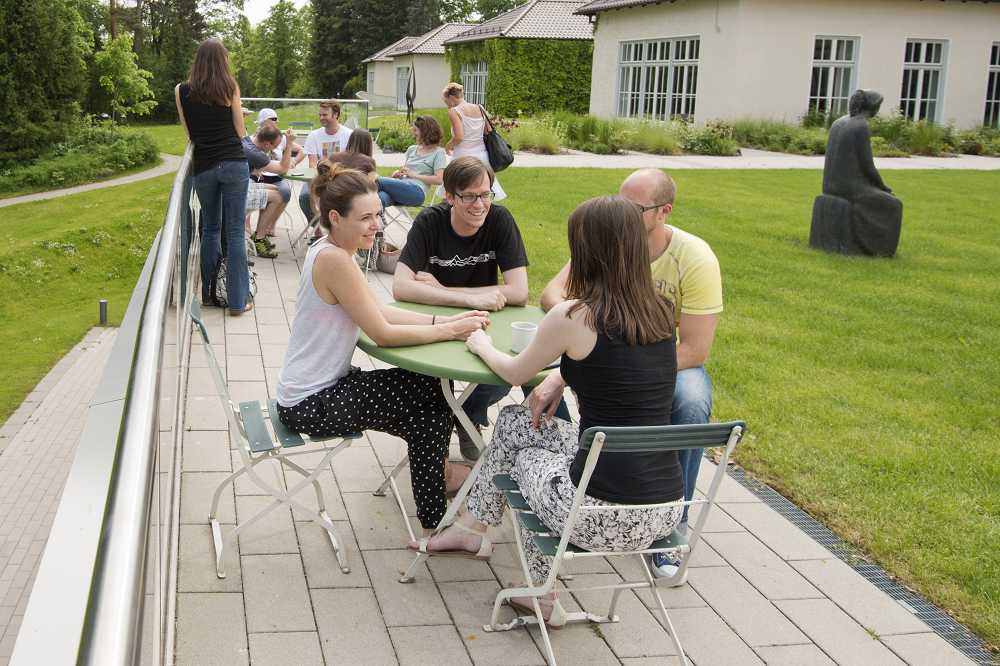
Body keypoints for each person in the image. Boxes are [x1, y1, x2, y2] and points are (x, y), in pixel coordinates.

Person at [409, 196, 683, 625]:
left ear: (586, 251)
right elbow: (623, 370)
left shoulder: (574, 315)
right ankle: (471, 528)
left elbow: (515, 373)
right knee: (519, 421)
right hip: (664, 512)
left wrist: (481, 344)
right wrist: (562, 376)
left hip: (597, 514)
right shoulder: (662, 313)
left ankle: (541, 594)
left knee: (521, 457)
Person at [275, 161, 490, 533]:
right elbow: (382, 333)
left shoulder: (334, 250)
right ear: (335, 217)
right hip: (311, 403)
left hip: (312, 392)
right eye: (365, 218)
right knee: (432, 389)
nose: (376, 225)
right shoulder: (335, 261)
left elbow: (381, 311)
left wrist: (446, 322)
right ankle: (436, 505)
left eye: (378, 215)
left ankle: (435, 504)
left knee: (430, 408)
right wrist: (451, 331)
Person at [538, 168, 722, 581]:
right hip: (610, 358)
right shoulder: (612, 241)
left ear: (663, 212)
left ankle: (672, 526)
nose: (620, 213)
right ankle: (592, 476)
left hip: (672, 360)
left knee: (691, 402)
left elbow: (695, 348)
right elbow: (553, 293)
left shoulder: (694, 258)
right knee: (544, 387)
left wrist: (617, 369)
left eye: (632, 208)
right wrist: (582, 345)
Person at [392, 157, 566, 461]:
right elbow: (401, 287)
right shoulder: (430, 222)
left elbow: (519, 291)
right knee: (427, 381)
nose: (479, 204)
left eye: (486, 194)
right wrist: (470, 299)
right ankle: (448, 429)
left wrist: (443, 291)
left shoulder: (499, 220)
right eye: (469, 196)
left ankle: (557, 447)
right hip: (435, 323)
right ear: (449, 197)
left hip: (486, 323)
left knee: (529, 366)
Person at [175, 38, 252, 315]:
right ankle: (237, 301)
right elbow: (240, 132)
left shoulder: (181, 91)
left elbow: (190, 132)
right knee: (234, 232)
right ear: (223, 61)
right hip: (232, 162)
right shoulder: (230, 87)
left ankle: (208, 295)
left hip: (204, 166)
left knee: (209, 229)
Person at [442, 83, 506, 201]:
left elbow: (459, 137)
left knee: (456, 189)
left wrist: (448, 146)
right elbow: (488, 130)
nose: (445, 103)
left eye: (445, 100)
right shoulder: (480, 108)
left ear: (451, 97)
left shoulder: (454, 111)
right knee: (484, 189)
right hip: (481, 154)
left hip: (463, 154)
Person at [242, 122, 295, 258]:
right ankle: (259, 238)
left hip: (242, 186)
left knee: (276, 189)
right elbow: (283, 168)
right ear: (267, 144)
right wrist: (289, 144)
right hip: (239, 195)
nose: (273, 151)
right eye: (275, 147)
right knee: (278, 197)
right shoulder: (255, 154)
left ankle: (259, 233)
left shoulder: (247, 141)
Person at [251, 108, 303, 241]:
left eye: (276, 119)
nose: (276, 121)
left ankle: (269, 225)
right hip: (259, 177)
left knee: (284, 191)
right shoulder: (255, 140)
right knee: (273, 194)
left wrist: (294, 161)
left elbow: (302, 151)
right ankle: (258, 232)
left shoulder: (281, 138)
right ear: (263, 121)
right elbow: (280, 168)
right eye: (273, 119)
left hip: (276, 175)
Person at [298, 100, 354, 222]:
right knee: (305, 197)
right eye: (320, 115)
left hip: (342, 177)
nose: (321, 118)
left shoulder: (349, 135)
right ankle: (318, 230)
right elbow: (312, 163)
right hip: (320, 177)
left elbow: (352, 163)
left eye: (325, 115)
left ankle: (338, 228)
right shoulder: (314, 135)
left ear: (335, 115)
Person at [376, 115, 447, 210]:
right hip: (401, 188)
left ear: (426, 132)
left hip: (417, 192)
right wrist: (398, 174)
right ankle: (377, 223)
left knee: (376, 181)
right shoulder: (412, 149)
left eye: (415, 130)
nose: (413, 133)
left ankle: (352, 193)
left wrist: (414, 175)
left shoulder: (438, 153)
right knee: (380, 198)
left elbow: (439, 180)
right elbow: (405, 172)